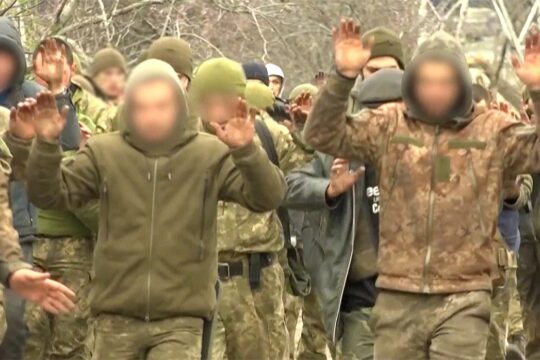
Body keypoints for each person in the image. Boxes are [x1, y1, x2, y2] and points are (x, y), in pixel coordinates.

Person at [8, 58, 285, 360]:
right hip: (115, 318)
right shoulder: (105, 152)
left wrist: (246, 149)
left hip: (181, 320)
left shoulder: (207, 154)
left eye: (162, 106)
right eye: (142, 106)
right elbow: (50, 194)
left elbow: (267, 197)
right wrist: (46, 144)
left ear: (179, 106)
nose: (152, 116)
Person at [303, 19, 540, 359]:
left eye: (446, 82)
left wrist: (537, 91)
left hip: (465, 296)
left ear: (462, 84)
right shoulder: (389, 123)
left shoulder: (491, 130)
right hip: (398, 296)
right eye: (427, 81)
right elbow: (321, 135)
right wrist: (342, 79)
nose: (436, 90)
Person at [192, 58, 306, 360]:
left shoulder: (267, 134)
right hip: (198, 282)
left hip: (257, 280)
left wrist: (304, 128)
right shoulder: (182, 142)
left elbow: (306, 175)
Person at [287, 68, 403, 360]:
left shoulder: (427, 153)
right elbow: (290, 185)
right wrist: (329, 188)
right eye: (373, 113)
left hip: (414, 303)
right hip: (361, 303)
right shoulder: (344, 152)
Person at [0, 19, 80, 360]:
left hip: (20, 233)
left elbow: (69, 146)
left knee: (17, 327)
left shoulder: (30, 97)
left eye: (6, 56)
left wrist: (59, 91)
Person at [349, 26, 405, 113]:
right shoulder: (344, 103)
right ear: (361, 71)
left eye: (390, 71)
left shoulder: (419, 102)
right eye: (374, 71)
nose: (381, 77)